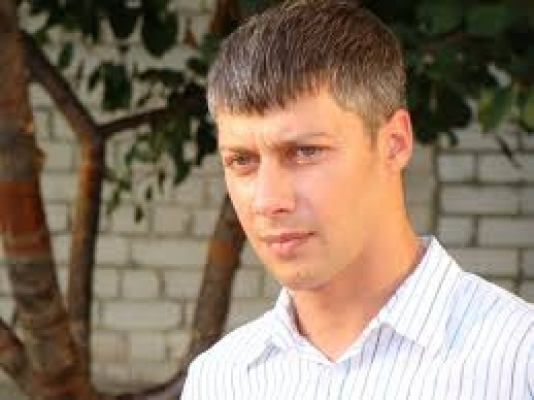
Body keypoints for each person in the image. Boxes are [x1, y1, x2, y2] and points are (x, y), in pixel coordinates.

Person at [181, 0, 534, 398]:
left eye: (305, 152)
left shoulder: (519, 363)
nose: (268, 200)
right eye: (242, 160)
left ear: (394, 143)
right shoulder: (219, 379)